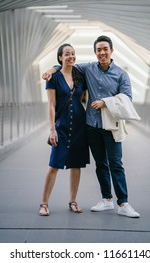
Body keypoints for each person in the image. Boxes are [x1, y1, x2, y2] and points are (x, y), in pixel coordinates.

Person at [42, 35, 140, 218]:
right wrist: (52, 68)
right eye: (98, 50)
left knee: (116, 164)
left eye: (105, 49)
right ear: (95, 52)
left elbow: (127, 99)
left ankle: (123, 202)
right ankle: (106, 200)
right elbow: (65, 66)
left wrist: (105, 102)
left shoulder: (121, 74)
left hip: (111, 126)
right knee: (101, 164)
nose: (102, 53)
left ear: (111, 51)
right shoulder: (88, 69)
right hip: (91, 125)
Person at [39, 43, 90, 216]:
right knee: (54, 164)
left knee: (76, 165)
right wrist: (52, 129)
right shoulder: (53, 78)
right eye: (67, 54)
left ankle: (73, 201)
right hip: (61, 127)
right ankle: (44, 203)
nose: (71, 56)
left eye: (73, 54)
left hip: (79, 127)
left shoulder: (80, 75)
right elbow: (52, 105)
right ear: (60, 57)